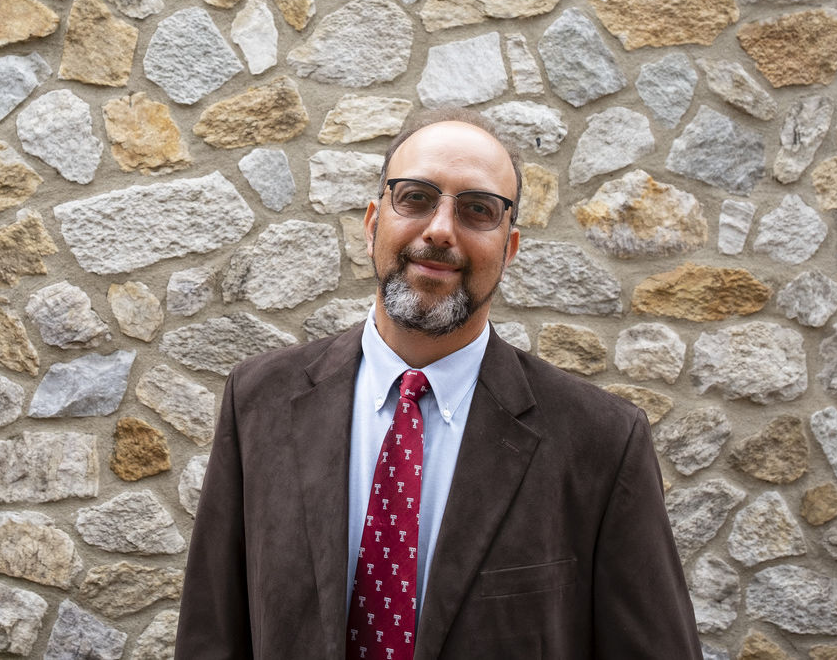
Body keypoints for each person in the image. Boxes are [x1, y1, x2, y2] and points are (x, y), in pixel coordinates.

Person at [175, 109, 702, 659]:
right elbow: (211, 634)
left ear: (510, 247)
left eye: (478, 210)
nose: (441, 230)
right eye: (416, 198)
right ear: (373, 221)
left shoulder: (601, 442)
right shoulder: (258, 401)